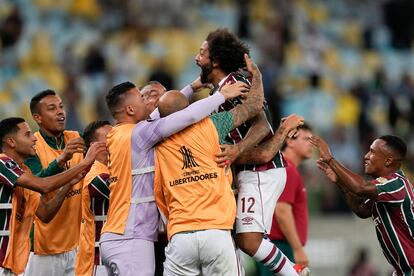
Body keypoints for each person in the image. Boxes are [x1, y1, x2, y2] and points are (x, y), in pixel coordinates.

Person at [100, 78, 247, 275]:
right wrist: (222, 96)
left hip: (114, 234)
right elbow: (186, 117)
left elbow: (164, 112)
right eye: (141, 98)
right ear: (130, 110)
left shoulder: (117, 134)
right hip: (132, 237)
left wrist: (191, 88)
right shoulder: (140, 134)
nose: (147, 102)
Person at [195, 28, 307, 275]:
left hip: (261, 171)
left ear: (215, 60)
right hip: (251, 170)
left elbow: (262, 123)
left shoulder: (236, 83)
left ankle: (294, 273)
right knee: (234, 238)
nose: (196, 58)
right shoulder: (218, 91)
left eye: (202, 53)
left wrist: (237, 149)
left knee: (249, 241)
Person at [154, 54, 265, 275]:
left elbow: (159, 193)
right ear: (188, 110)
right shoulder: (212, 125)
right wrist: (257, 77)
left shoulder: (156, 142)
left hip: (180, 235)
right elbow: (253, 106)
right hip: (216, 231)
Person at [0, 117, 103, 275]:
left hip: (12, 263)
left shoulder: (24, 172)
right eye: (27, 134)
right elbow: (44, 186)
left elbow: (44, 214)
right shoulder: (2, 163)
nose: (34, 138)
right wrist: (84, 163)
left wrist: (68, 185)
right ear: (11, 142)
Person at [312, 135, 414, 276]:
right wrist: (340, 182)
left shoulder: (396, 184)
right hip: (402, 271)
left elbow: (360, 187)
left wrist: (330, 158)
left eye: (372, 152)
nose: (366, 156)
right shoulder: (383, 189)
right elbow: (361, 210)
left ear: (388, 160)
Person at [24, 89, 93, 276]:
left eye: (61, 107)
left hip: (77, 244)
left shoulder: (76, 138)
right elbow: (38, 183)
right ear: (38, 118)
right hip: (43, 248)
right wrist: (62, 159)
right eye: (52, 108)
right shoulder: (32, 146)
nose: (60, 112)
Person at [252, 124, 313, 275]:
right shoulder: (287, 169)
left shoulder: (283, 167)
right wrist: (298, 249)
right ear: (290, 142)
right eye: (306, 138)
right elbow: (282, 210)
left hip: (273, 245)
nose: (311, 143)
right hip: (280, 246)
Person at [76, 121, 112, 276]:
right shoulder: (94, 176)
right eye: (110, 137)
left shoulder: (112, 169)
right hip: (98, 263)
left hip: (113, 257)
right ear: (94, 146)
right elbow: (127, 192)